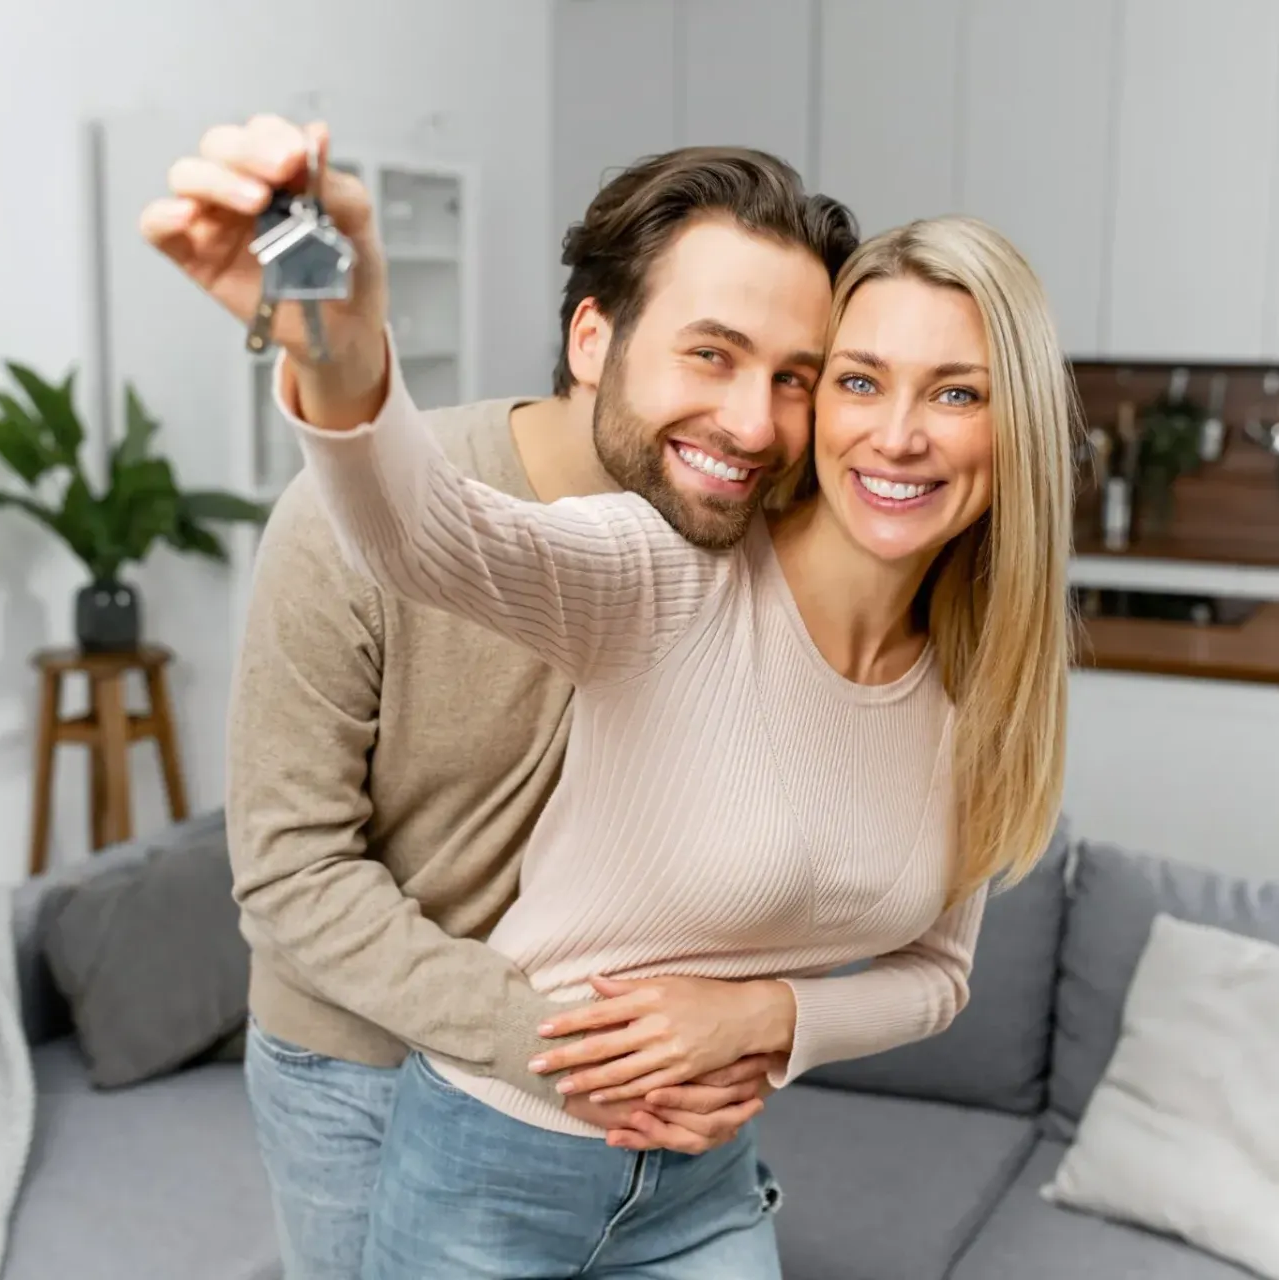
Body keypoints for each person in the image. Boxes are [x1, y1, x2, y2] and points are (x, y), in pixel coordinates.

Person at [268, 122, 1078, 1275]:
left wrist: (765, 1018)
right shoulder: (667, 571)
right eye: (858, 380)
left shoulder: (981, 692)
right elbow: (422, 529)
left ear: (1018, 431)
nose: (898, 433)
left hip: (702, 1182)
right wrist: (342, 352)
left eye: (956, 392)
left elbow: (938, 975)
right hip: (493, 1160)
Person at [141, 116, 861, 1278]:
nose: (754, 423)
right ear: (592, 336)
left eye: (797, 380)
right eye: (711, 354)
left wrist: (750, 1015)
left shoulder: (755, 542)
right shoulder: (345, 523)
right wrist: (572, 1047)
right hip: (364, 1069)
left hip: (626, 1096)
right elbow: (290, 875)